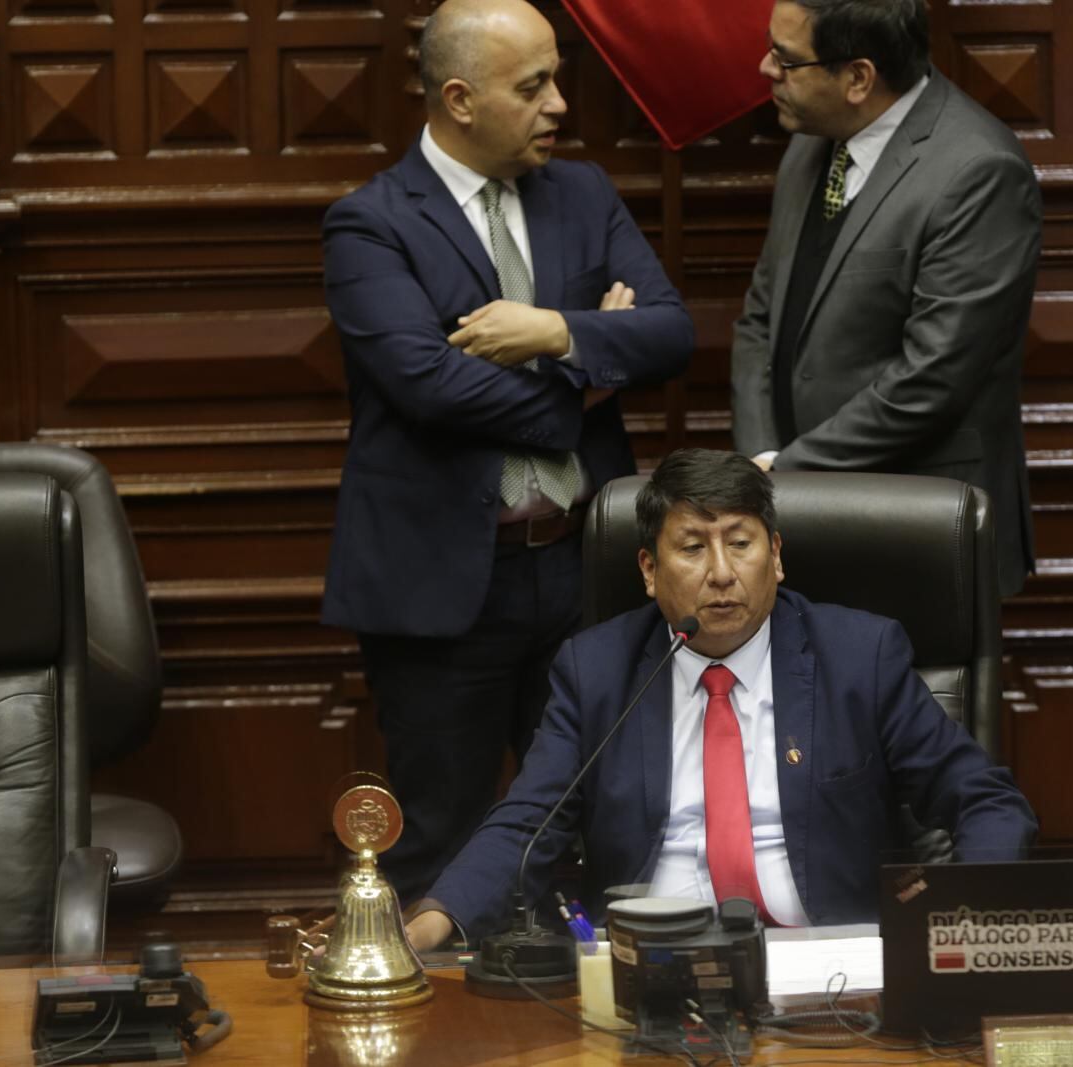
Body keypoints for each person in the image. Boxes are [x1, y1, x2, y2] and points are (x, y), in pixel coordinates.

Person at [320, 0, 694, 903]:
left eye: (555, 77)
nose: (559, 104)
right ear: (459, 99)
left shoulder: (584, 193)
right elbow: (427, 385)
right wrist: (587, 370)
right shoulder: (369, 223)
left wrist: (546, 331)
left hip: (583, 571)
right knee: (440, 840)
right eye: (533, 87)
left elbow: (671, 334)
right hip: (447, 584)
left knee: (603, 822)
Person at [407, 448, 1036, 948]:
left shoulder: (858, 657)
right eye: (691, 548)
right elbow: (526, 824)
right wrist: (432, 922)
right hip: (651, 963)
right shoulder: (597, 671)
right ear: (650, 571)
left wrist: (956, 927)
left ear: (777, 556)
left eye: (741, 542)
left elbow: (987, 802)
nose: (722, 572)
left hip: (826, 968)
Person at [730, 0, 1040, 596]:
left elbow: (934, 377)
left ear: (858, 78)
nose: (766, 69)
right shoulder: (809, 145)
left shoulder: (979, 170)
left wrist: (787, 471)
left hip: (917, 522)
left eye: (787, 59)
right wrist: (761, 460)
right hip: (794, 514)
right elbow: (760, 320)